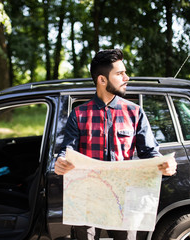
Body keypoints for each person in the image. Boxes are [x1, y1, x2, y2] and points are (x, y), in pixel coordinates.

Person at [54, 49, 177, 240]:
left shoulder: (135, 112)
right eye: (120, 74)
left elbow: (150, 153)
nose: (126, 78)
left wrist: (164, 164)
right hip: (87, 199)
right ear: (102, 80)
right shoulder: (78, 114)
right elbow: (67, 151)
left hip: (124, 200)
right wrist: (61, 162)